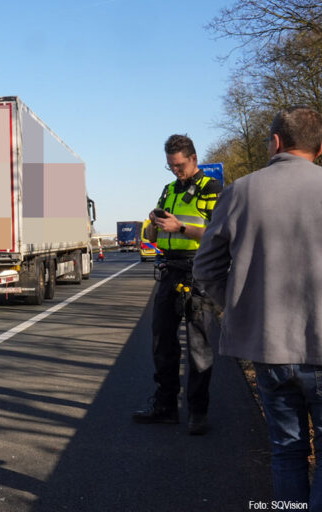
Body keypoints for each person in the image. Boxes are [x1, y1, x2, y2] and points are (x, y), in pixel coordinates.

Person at [193, 106, 322, 509]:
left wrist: (235, 306)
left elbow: (206, 266)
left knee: (286, 450)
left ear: (277, 141)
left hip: (267, 346)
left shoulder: (241, 190)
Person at [131, 134, 222, 435]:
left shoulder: (212, 189)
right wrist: (153, 225)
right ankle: (166, 406)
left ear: (194, 159)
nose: (176, 172)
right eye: (170, 166)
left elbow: (219, 234)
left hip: (198, 273)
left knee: (199, 347)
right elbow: (155, 237)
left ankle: (198, 412)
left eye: (180, 166)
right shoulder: (168, 190)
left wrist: (181, 226)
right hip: (169, 270)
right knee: (162, 343)